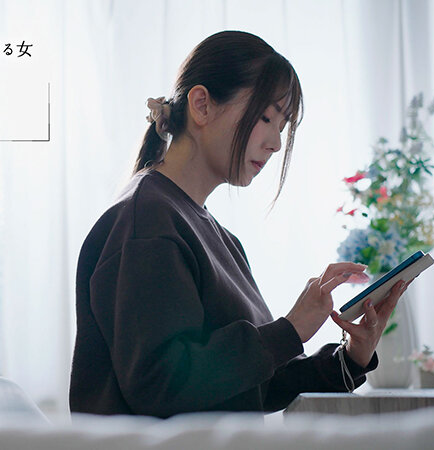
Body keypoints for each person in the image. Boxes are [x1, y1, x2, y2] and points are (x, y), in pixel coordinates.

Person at [69, 30, 410, 418]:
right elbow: (160, 386)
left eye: (282, 126)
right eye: (266, 117)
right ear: (202, 105)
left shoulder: (218, 237)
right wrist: (290, 329)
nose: (275, 143)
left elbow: (255, 387)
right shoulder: (146, 222)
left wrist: (351, 357)